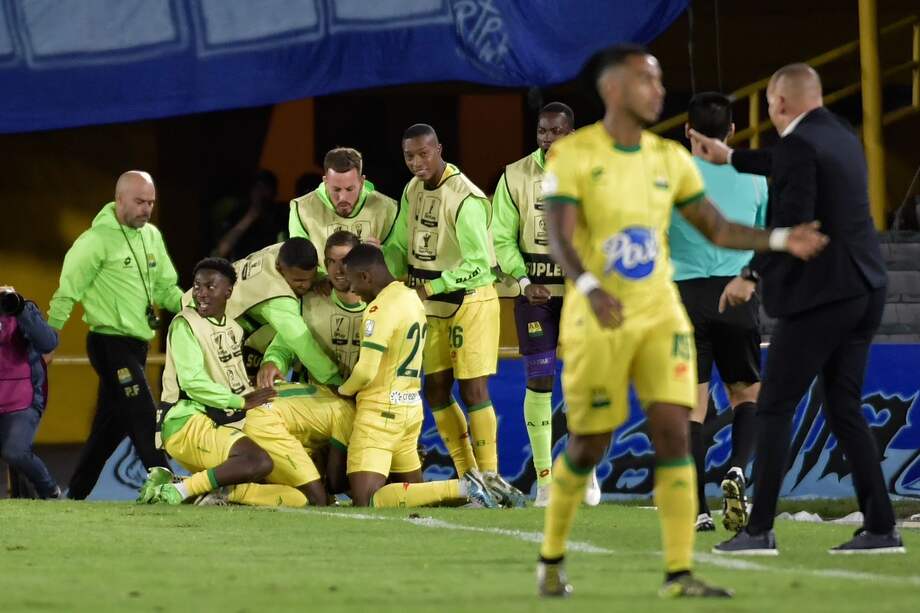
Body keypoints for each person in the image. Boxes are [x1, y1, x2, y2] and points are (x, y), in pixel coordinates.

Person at [536, 44, 827, 599]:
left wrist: (781, 238)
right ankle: (551, 557)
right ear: (614, 90)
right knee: (591, 442)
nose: (659, 91)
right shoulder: (572, 156)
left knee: (674, 431)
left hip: (663, 313)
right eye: (648, 81)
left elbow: (717, 227)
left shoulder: (668, 159)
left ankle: (678, 572)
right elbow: (560, 235)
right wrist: (592, 286)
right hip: (598, 316)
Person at [689, 64, 904, 555]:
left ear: (780, 104)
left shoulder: (799, 146)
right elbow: (782, 162)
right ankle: (881, 526)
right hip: (864, 290)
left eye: (768, 105)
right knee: (845, 409)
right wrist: (731, 157)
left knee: (774, 407)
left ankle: (759, 528)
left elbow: (792, 221)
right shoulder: (839, 135)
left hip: (821, 298)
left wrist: (750, 275)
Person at [388, 123, 525, 507]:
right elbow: (401, 243)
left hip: (471, 300)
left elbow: (480, 265)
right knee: (434, 388)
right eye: (409, 156)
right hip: (431, 303)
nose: (417, 163)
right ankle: (470, 478)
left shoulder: (466, 198)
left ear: (439, 149)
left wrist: (429, 287)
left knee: (472, 389)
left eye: (423, 154)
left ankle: (492, 477)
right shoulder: (412, 189)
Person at [492, 102, 601, 507]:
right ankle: (544, 481)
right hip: (534, 296)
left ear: (571, 134)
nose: (548, 139)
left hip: (579, 297)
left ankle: (586, 474)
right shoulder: (514, 176)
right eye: (542, 132)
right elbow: (501, 237)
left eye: (556, 131)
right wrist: (522, 281)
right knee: (539, 381)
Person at [669, 92, 769, 532]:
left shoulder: (669, 178)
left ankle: (698, 511)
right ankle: (737, 470)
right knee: (747, 394)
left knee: (691, 407)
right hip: (737, 295)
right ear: (732, 131)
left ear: (687, 130)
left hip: (684, 297)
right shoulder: (754, 177)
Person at [49, 171, 181, 500]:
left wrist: (195, 308)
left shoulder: (151, 236)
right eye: (139, 202)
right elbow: (67, 291)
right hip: (108, 343)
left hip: (137, 344)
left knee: (112, 426)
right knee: (141, 408)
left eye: (151, 202)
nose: (146, 209)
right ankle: (165, 480)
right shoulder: (95, 240)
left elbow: (166, 289)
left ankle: (75, 493)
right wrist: (49, 338)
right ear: (119, 199)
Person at [140, 257, 313, 507]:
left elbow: (234, 382)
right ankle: (180, 491)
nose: (201, 294)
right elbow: (192, 382)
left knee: (293, 494)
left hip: (220, 420)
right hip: (185, 420)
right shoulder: (184, 324)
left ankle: (184, 484)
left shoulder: (234, 329)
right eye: (198, 286)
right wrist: (240, 401)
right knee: (258, 461)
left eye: (211, 287)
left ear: (229, 291)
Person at [338, 244, 498, 508]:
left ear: (366, 276)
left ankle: (466, 486)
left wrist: (343, 391)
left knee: (365, 500)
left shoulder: (380, 309)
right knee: (415, 496)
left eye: (354, 282)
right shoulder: (411, 297)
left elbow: (365, 372)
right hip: (410, 410)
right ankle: (465, 492)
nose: (353, 290)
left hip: (380, 413)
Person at [203, 237, 343, 386]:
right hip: (202, 330)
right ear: (279, 268)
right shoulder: (275, 295)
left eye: (311, 277)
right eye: (298, 281)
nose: (306, 285)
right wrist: (335, 381)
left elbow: (304, 271)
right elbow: (302, 343)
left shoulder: (281, 252)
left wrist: (322, 276)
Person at [257, 231, 368, 388]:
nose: (338, 270)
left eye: (345, 261)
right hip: (318, 397)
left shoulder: (382, 304)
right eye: (332, 262)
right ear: (325, 265)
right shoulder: (308, 302)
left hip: (369, 398)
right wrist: (272, 363)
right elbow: (282, 348)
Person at [289, 147, 402, 275]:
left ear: (362, 181)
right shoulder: (302, 209)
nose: (342, 197)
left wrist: (382, 254)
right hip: (322, 292)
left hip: (372, 292)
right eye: (336, 190)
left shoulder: (387, 208)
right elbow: (299, 262)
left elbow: (400, 265)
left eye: (349, 189)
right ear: (325, 181)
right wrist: (319, 278)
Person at [0, 286, 60, 499]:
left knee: (14, 452)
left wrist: (21, 308)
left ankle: (50, 491)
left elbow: (49, 343)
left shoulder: (17, 306)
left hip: (21, 400)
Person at [214, 169, 287, 261]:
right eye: (258, 187)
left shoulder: (280, 215)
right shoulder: (238, 213)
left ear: (274, 193)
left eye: (266, 187)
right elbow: (221, 250)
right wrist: (251, 215)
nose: (261, 192)